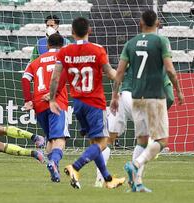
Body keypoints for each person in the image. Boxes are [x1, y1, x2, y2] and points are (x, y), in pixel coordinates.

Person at [110, 10, 184, 192]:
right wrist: (179, 91)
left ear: (140, 22)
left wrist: (114, 96)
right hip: (155, 96)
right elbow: (170, 70)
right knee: (163, 140)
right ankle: (136, 164)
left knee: (142, 141)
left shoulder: (131, 43)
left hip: (136, 97)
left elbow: (119, 72)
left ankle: (136, 182)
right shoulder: (161, 41)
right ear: (157, 23)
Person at [49, 17, 125, 189]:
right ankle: (75, 167)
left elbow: (55, 78)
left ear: (72, 33)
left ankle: (108, 179)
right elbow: (110, 73)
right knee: (102, 143)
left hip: (77, 104)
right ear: (89, 31)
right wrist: (120, 78)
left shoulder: (64, 51)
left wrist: (52, 99)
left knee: (94, 143)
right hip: (95, 103)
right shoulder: (97, 50)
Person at [94, 66, 175, 188]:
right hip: (139, 100)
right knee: (145, 140)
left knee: (107, 139)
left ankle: (99, 180)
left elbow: (119, 72)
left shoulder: (132, 50)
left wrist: (115, 95)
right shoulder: (160, 64)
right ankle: (134, 180)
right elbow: (170, 97)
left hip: (122, 95)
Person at [21, 33, 69, 182]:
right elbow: (66, 75)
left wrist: (28, 100)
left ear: (47, 45)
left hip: (39, 103)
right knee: (60, 138)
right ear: (62, 45)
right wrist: (53, 93)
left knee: (50, 139)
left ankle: (54, 168)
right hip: (56, 102)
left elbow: (25, 78)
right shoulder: (63, 58)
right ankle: (54, 162)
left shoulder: (36, 61)